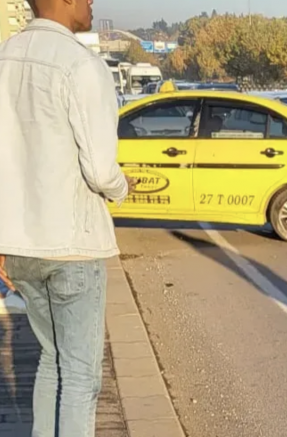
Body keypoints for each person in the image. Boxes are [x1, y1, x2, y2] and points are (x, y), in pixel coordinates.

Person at [0, 0, 135, 435]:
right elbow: (99, 168)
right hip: (72, 243)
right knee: (80, 376)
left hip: (20, 244)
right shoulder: (80, 65)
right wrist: (122, 187)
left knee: (51, 360)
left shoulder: (4, 59)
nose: (93, 3)